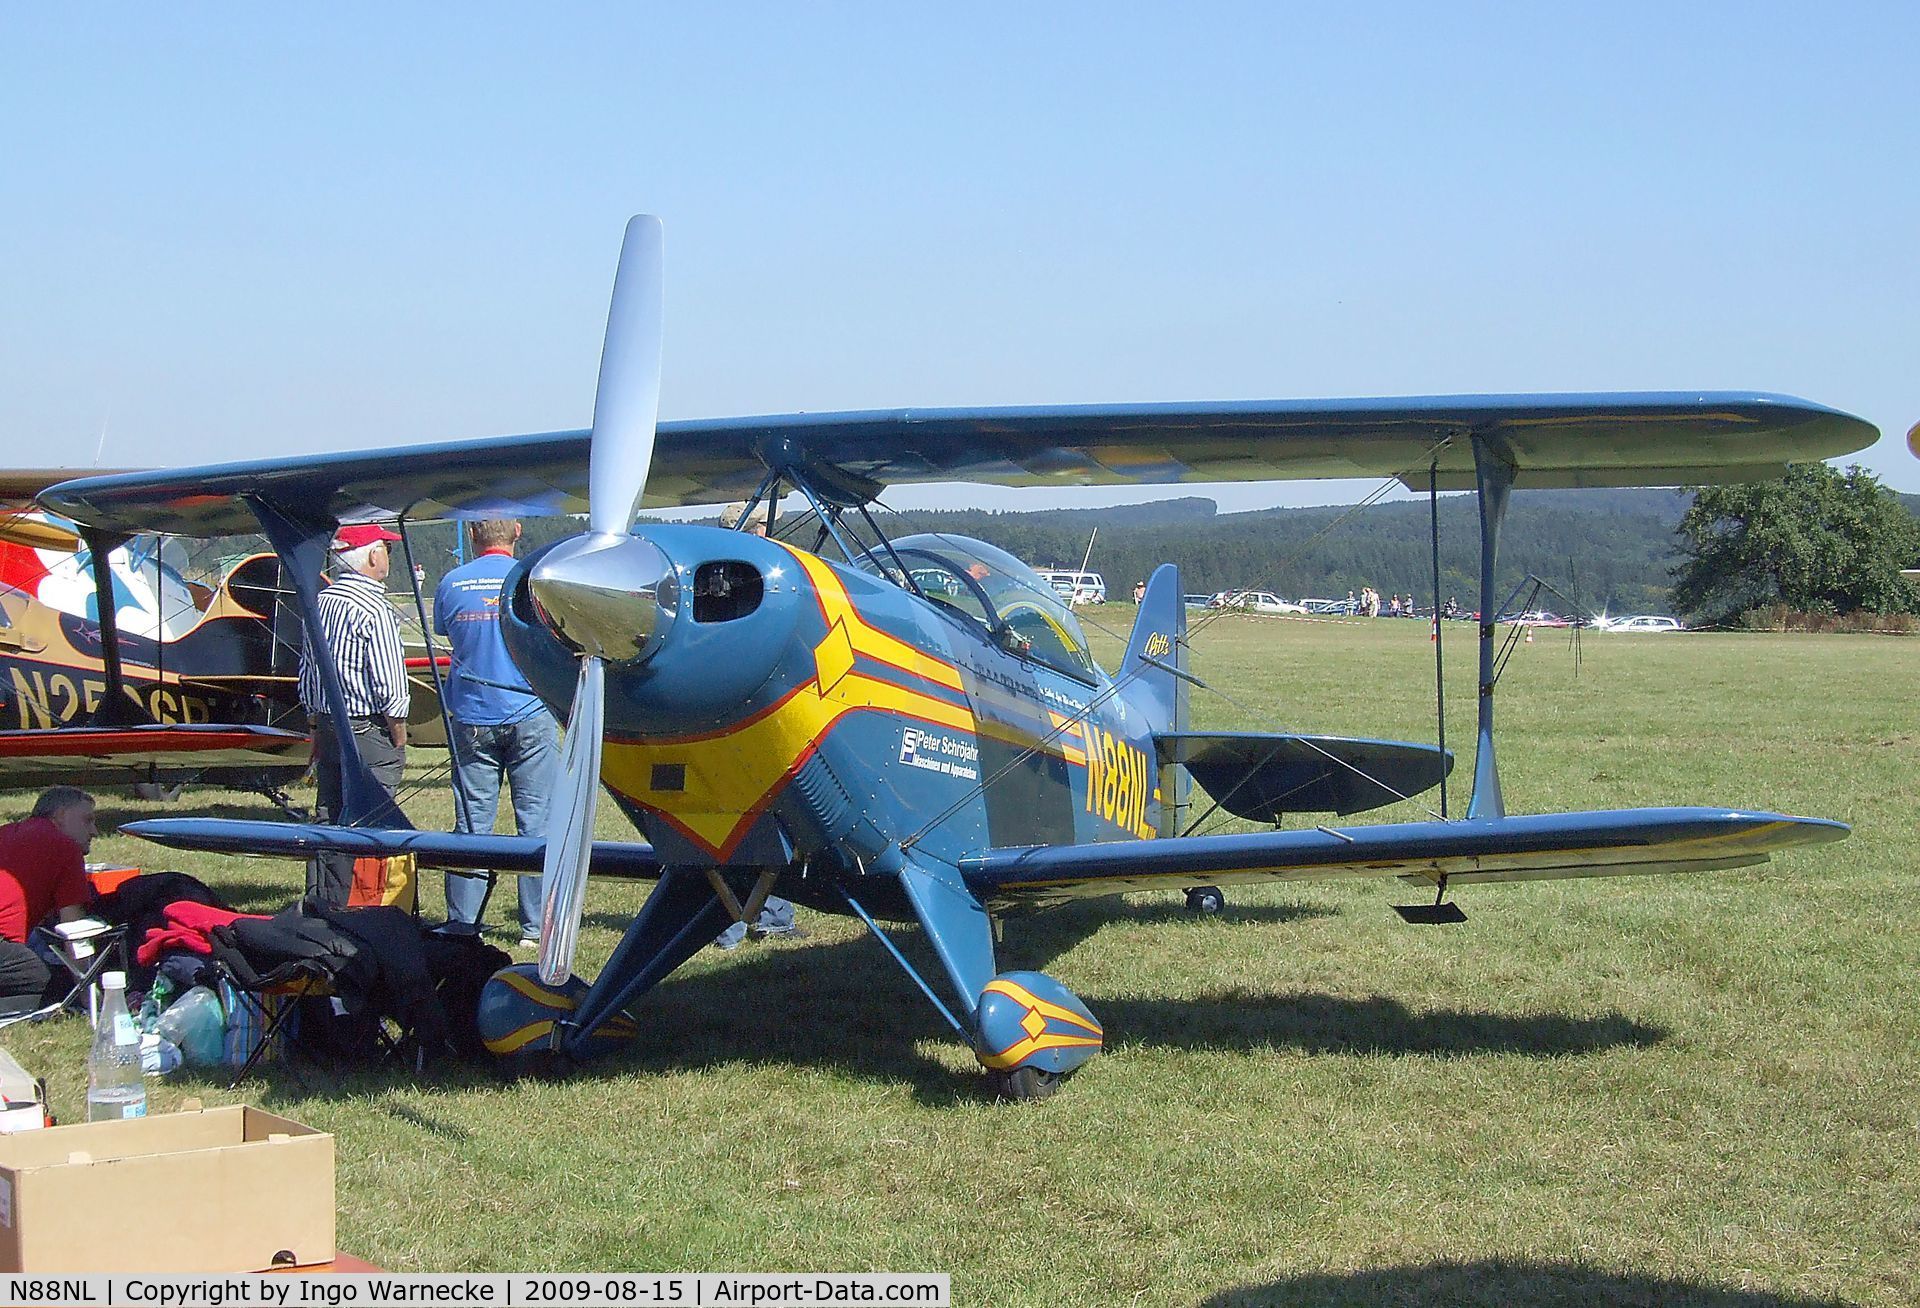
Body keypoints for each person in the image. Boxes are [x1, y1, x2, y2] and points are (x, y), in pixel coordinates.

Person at [434, 520, 559, 948]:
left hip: (472, 712)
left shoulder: (452, 582)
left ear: (472, 535)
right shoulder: (532, 579)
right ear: (518, 532)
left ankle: (464, 921)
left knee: (471, 822)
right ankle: (534, 926)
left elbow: (448, 634)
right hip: (528, 710)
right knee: (536, 821)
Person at [299, 522, 410, 905]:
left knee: (329, 814)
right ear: (373, 556)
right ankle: (368, 906)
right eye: (386, 550)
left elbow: (309, 670)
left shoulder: (320, 602)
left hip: (330, 724)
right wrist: (398, 730)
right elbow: (389, 681)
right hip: (368, 730)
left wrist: (315, 724)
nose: (388, 558)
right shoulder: (374, 608)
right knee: (376, 820)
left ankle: (323, 900)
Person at [713, 504, 803, 949]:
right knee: (760, 815)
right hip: (748, 717)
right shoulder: (755, 584)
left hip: (739, 718)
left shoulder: (727, 586)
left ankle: (760, 915)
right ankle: (747, 918)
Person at [0, 787, 97, 1011]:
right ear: (61, 815)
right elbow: (75, 930)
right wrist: (89, 998)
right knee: (45, 980)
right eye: (87, 820)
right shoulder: (65, 848)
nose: (94, 831)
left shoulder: (7, 831)